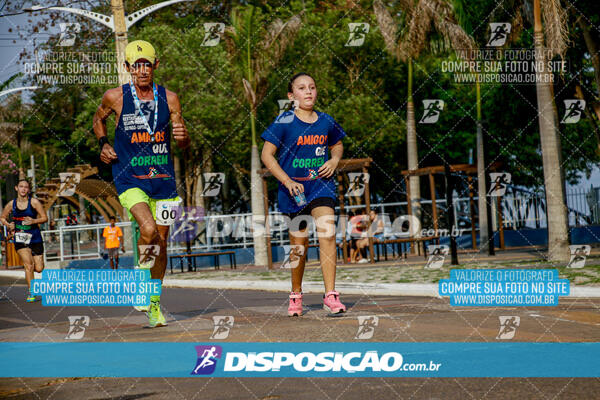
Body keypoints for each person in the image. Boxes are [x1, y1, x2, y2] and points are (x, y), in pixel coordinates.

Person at [93, 40, 190, 327]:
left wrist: (184, 138)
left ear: (155, 65)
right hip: (130, 177)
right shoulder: (115, 97)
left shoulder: (170, 98)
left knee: (160, 243)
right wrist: (103, 143)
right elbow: (97, 120)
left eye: (147, 64)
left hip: (164, 181)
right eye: (137, 66)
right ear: (128, 68)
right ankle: (140, 277)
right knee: (147, 229)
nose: (142, 70)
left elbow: (183, 142)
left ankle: (155, 305)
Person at [261, 72, 347, 316]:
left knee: (327, 233)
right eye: (301, 88)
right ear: (291, 96)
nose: (308, 91)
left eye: (312, 86)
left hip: (321, 184)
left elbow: (337, 143)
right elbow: (267, 155)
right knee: (299, 245)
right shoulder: (283, 122)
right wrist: (286, 180)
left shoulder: (326, 121)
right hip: (294, 190)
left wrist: (334, 159)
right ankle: (296, 293)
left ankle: (330, 295)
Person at [0, 179, 48, 302]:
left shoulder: (34, 202)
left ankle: (36, 265)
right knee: (28, 264)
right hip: (20, 236)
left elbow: (44, 218)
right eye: (21, 186)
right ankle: (31, 293)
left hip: (35, 236)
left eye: (26, 187)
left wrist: (34, 221)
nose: (23, 189)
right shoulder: (12, 204)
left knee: (39, 268)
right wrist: (8, 224)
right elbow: (3, 217)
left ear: (29, 189)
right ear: (16, 188)